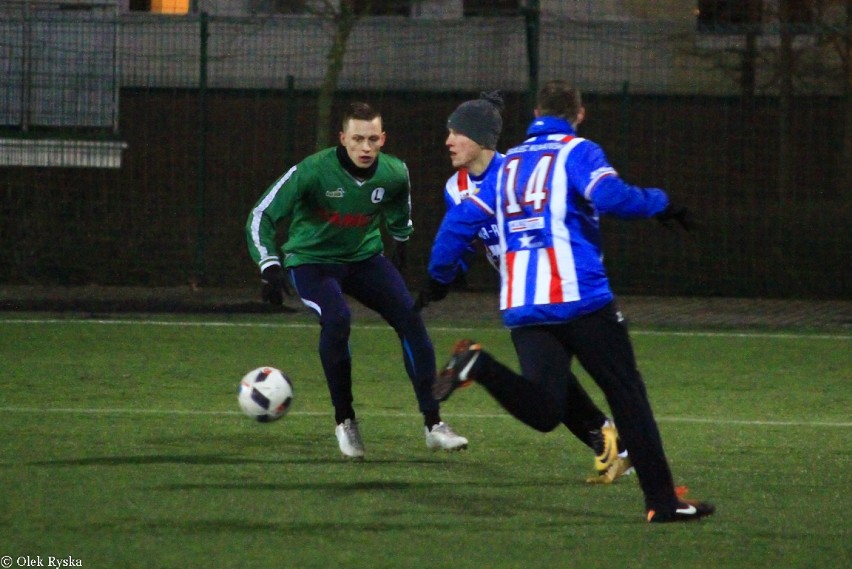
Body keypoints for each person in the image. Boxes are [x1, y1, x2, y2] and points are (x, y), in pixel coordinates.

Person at [420, 80, 714, 523]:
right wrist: (663, 204)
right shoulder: (578, 151)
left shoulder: (508, 166)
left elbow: (459, 223)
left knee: (544, 410)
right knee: (627, 396)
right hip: (582, 300)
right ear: (578, 115)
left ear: (537, 113)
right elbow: (611, 197)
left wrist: (438, 281)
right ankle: (662, 502)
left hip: (523, 307)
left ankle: (479, 366)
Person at [420, 90, 632, 484]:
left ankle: (615, 445)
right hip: (526, 296)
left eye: (456, 133)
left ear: (482, 138)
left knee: (553, 386)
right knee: (551, 386)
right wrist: (451, 275)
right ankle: (616, 444)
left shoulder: (518, 169)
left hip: (558, 290)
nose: (447, 141)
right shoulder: (454, 188)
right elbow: (465, 235)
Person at [246, 101, 468, 460]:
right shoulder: (313, 171)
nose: (365, 148)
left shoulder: (395, 172)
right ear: (342, 138)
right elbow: (261, 215)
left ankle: (434, 424)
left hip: (364, 259)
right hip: (311, 262)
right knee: (337, 319)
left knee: (411, 320)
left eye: (372, 139)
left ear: (383, 139)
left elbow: (399, 207)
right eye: (357, 139)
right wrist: (269, 264)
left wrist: (401, 237)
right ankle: (345, 420)